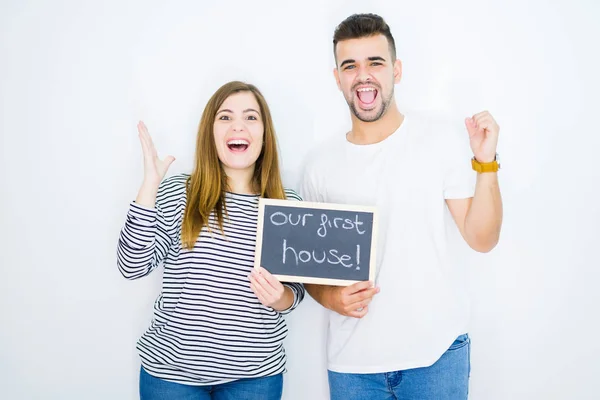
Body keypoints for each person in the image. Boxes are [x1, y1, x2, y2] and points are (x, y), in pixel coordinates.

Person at [300, 13, 503, 400]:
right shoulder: (318, 166)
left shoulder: (440, 139)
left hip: (437, 356)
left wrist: (486, 164)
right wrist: (331, 298)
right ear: (337, 77)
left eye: (375, 62)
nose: (363, 75)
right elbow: (310, 269)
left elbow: (482, 239)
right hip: (353, 367)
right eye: (350, 66)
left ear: (396, 69)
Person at [117, 81, 305, 400]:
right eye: (225, 117)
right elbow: (131, 266)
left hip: (255, 377)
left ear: (264, 133)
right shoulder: (180, 193)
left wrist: (280, 298)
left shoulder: (287, 206)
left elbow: (296, 291)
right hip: (171, 376)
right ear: (210, 131)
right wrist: (149, 187)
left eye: (250, 117)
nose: (238, 126)